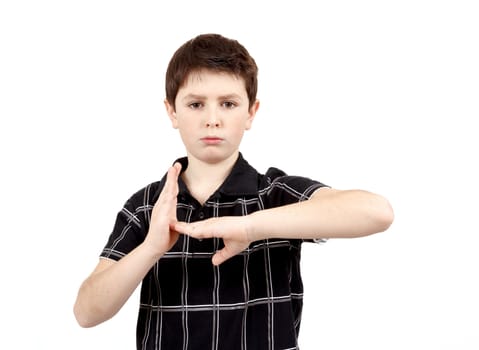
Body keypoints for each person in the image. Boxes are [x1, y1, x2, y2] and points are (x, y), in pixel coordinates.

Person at [73, 33, 394, 350]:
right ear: (172, 111)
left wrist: (249, 227)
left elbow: (376, 213)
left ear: (251, 112)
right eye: (196, 104)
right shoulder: (148, 205)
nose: (212, 120)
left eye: (228, 104)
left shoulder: (275, 194)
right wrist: (151, 248)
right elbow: (86, 313)